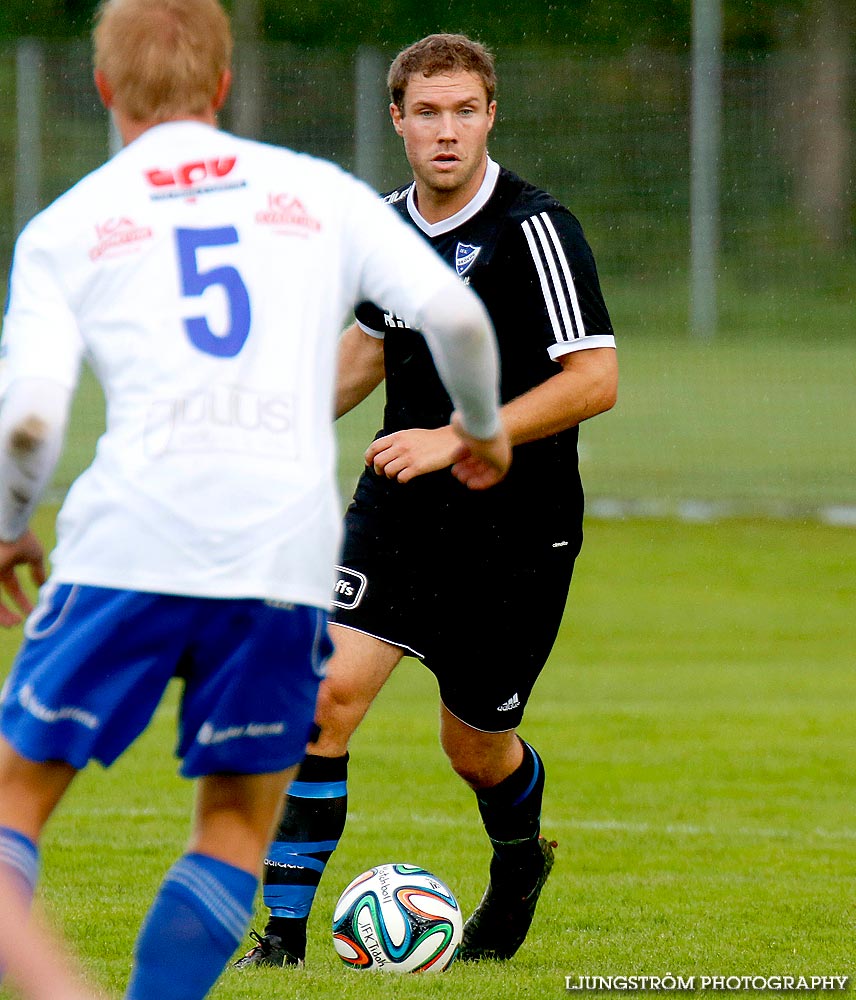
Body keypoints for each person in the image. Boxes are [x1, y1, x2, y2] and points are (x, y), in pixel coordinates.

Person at [0, 7, 510, 999]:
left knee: (14, 801)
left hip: (128, 546)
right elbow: (454, 314)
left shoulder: (66, 225)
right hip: (279, 559)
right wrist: (483, 428)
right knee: (233, 823)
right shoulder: (316, 192)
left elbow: (25, 424)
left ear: (104, 89)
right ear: (223, 84)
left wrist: (11, 519)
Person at [235, 32, 618, 970]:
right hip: (398, 512)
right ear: (398, 120)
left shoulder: (536, 229)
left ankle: (519, 863)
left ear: (490, 116)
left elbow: (595, 378)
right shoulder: (379, 227)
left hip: (513, 535)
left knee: (476, 750)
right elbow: (369, 349)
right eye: (428, 113)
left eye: (465, 111)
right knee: (322, 701)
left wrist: (461, 433)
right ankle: (282, 941)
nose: (447, 132)